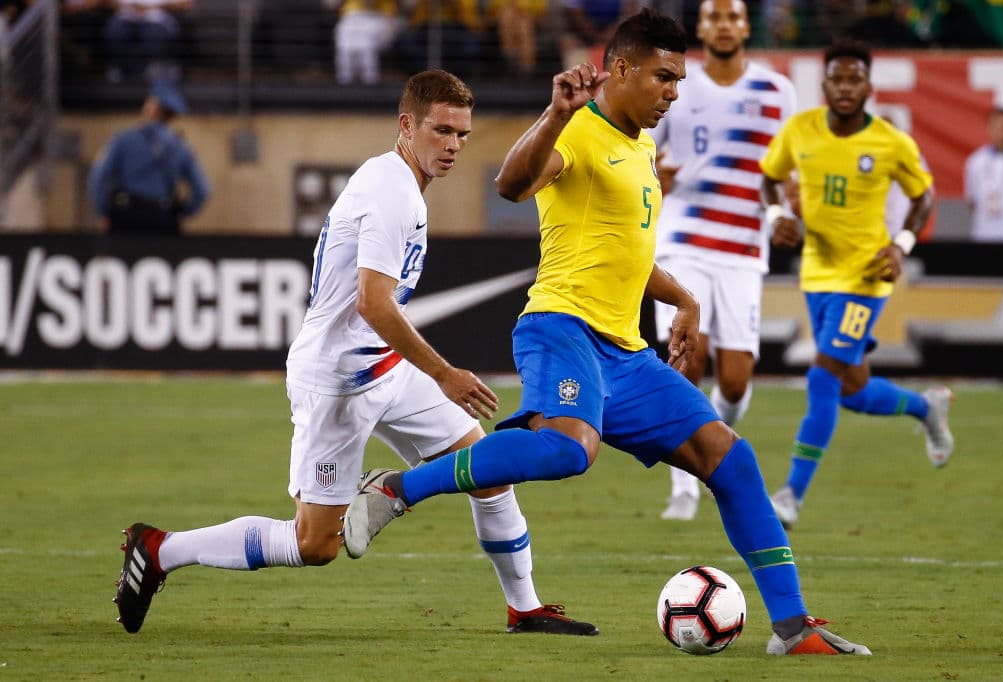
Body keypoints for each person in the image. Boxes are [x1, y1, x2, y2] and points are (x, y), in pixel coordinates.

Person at [343, 10, 870, 656]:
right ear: (620, 69)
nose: (673, 93)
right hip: (560, 328)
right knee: (570, 450)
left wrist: (685, 302)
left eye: (678, 81)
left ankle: (792, 626)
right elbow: (511, 184)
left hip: (626, 352)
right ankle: (395, 489)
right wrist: (557, 112)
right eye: (663, 78)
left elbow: (628, 252)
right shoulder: (580, 131)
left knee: (730, 459)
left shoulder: (642, 144)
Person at [114, 70, 597, 638]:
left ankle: (525, 608)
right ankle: (161, 548)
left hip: (386, 368)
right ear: (406, 125)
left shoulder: (401, 182)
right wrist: (444, 374)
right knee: (314, 544)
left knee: (487, 471)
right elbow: (372, 302)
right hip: (338, 380)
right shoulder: (391, 190)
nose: (453, 146)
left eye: (462, 135)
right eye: (441, 131)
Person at [759, 39, 955, 529]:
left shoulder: (891, 141)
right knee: (852, 388)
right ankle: (925, 408)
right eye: (837, 79)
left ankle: (790, 495)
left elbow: (923, 195)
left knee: (822, 376)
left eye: (855, 79)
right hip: (817, 274)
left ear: (868, 84)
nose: (846, 88)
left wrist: (902, 245)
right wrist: (777, 213)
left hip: (867, 277)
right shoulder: (800, 130)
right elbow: (769, 177)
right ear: (824, 84)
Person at [648, 0, 797, 522]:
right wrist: (654, 175)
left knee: (735, 380)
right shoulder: (676, 85)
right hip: (683, 241)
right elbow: (643, 148)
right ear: (702, 27)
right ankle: (684, 485)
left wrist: (785, 208)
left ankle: (714, 450)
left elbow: (787, 168)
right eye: (715, 17)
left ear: (745, 26)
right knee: (687, 360)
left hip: (743, 248)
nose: (725, 25)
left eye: (733, 16)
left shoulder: (777, 91)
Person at [87, 82, 209, 235]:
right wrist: (183, 212)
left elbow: (98, 177)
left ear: (151, 105)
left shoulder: (123, 139)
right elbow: (203, 190)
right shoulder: (181, 147)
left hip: (125, 218)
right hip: (164, 220)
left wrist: (103, 212)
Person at [964, 107, 1003, 243]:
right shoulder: (976, 161)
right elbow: (972, 201)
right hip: (985, 234)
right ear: (989, 128)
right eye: (997, 125)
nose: (1001, 130)